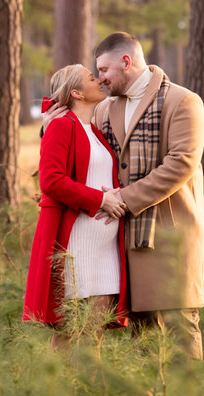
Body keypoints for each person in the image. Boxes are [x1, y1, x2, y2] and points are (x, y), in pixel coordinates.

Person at [90, 32, 204, 359]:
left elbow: (181, 163)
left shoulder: (183, 101)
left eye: (103, 69)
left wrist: (124, 198)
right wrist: (50, 124)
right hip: (125, 242)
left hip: (169, 239)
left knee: (181, 332)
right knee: (142, 340)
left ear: (126, 62)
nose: (100, 78)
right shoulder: (104, 109)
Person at [23, 64, 130, 342]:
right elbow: (51, 182)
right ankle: (58, 386)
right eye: (92, 78)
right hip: (75, 248)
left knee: (94, 336)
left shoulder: (94, 131)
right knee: (69, 337)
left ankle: (90, 386)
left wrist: (115, 195)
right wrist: (101, 200)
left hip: (106, 251)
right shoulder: (61, 125)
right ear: (77, 93)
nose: (100, 80)